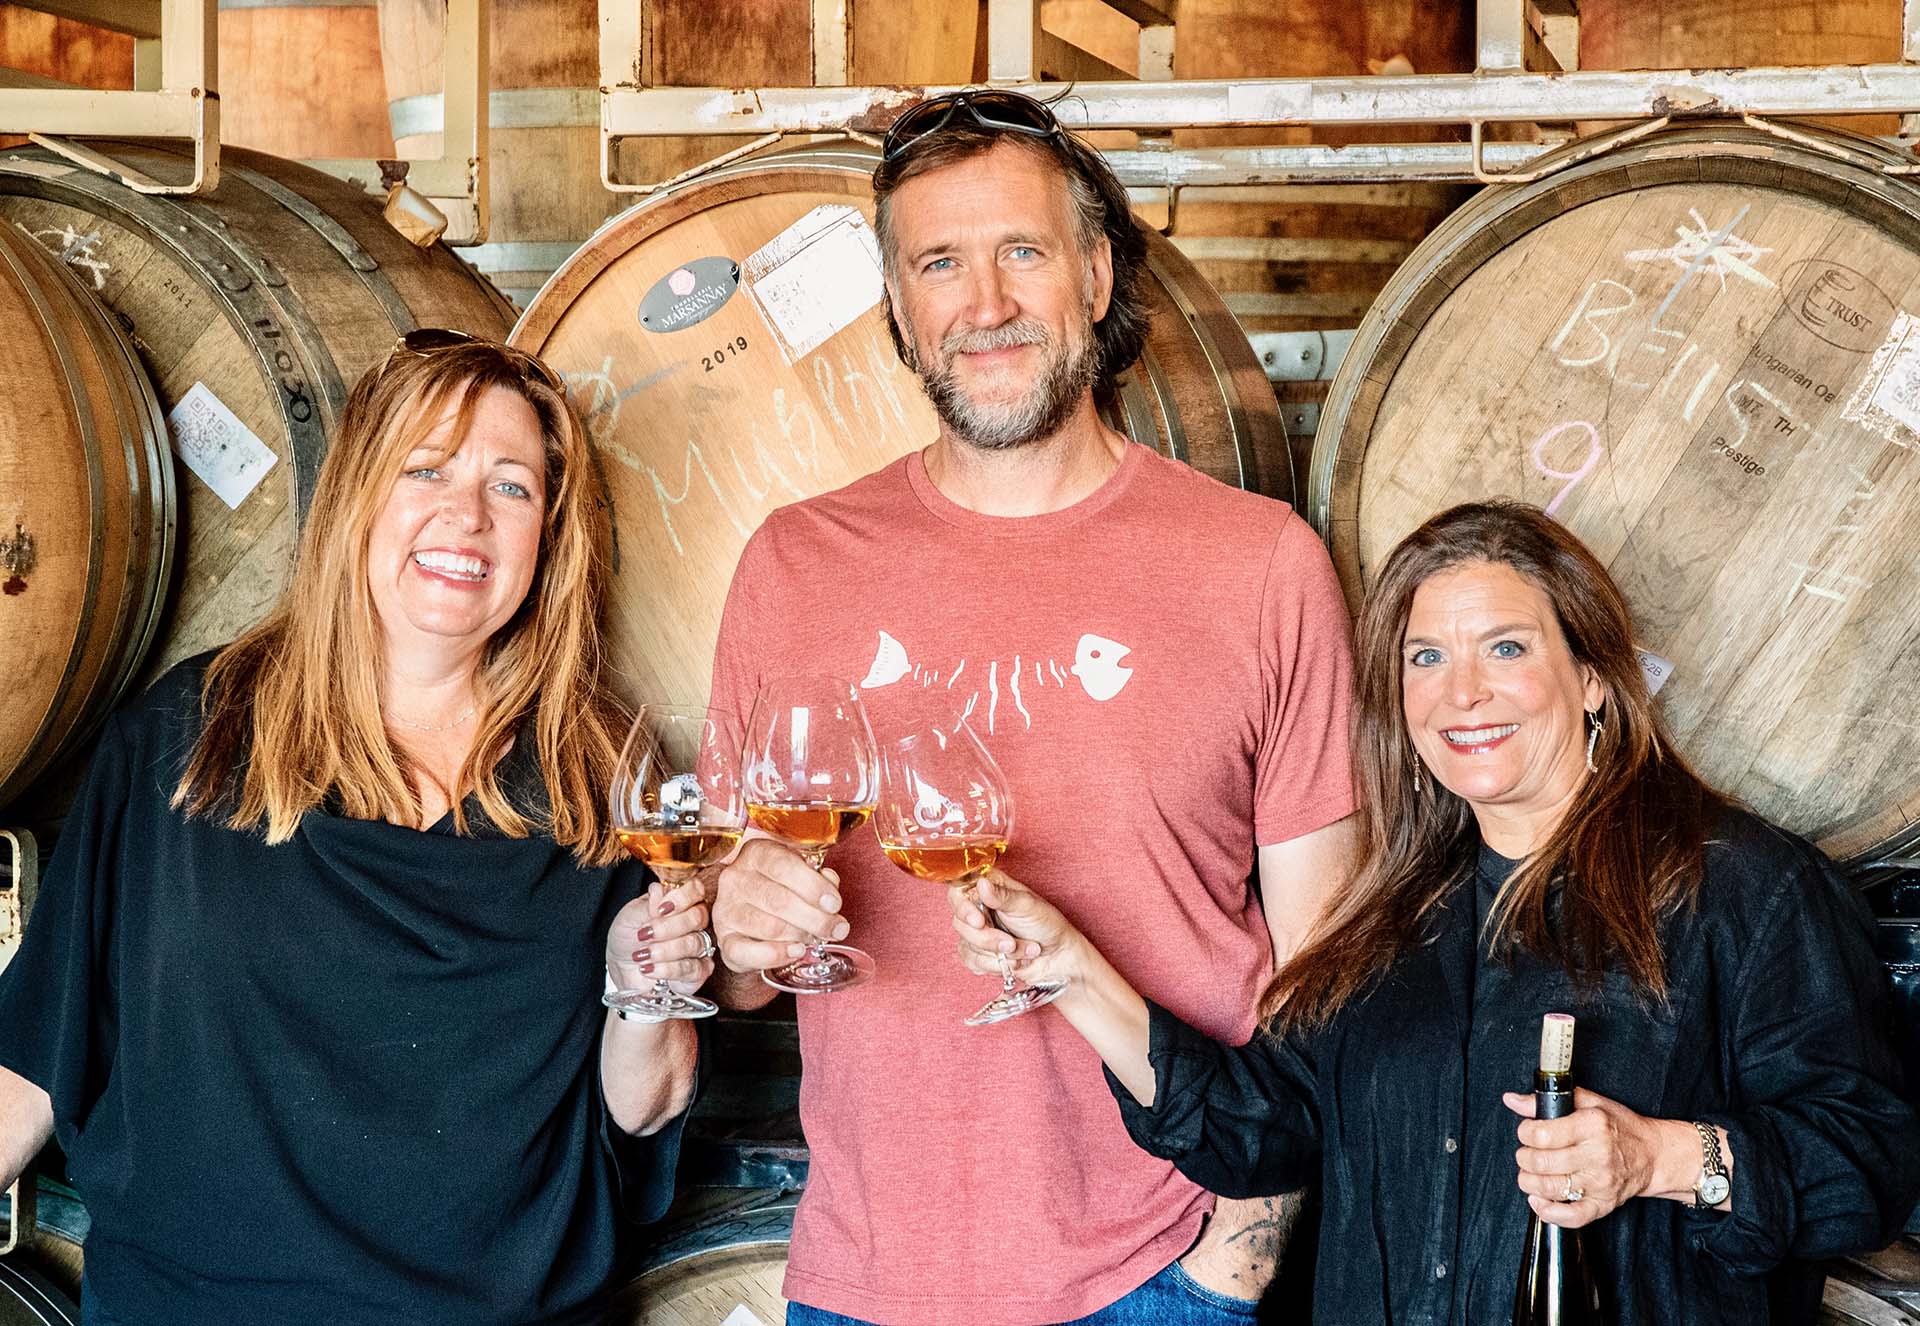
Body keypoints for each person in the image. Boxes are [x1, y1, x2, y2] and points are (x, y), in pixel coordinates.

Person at [704, 89, 1359, 1324]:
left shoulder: (1260, 564)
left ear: (1097, 275)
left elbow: (1323, 976)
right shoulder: (793, 565)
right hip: (862, 1285)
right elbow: (748, 974)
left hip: (1161, 1273)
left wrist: (1233, 1263)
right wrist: (738, 927)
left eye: (1022, 251)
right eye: (939, 263)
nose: (986, 303)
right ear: (899, 309)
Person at [951, 499, 1920, 1325]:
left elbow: (1872, 1162)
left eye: (1506, 647)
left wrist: (1660, 1156)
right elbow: (1261, 1135)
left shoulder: (1740, 885)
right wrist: (1074, 970)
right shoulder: (1397, 911)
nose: (1463, 691)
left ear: (1591, 677)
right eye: (1425, 657)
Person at [0, 333, 714, 1326]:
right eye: (426, 469)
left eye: (512, 486)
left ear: (549, 535)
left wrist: (644, 993)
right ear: (357, 501)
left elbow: (643, 1109)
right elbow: (36, 1054)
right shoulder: (193, 737)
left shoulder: (599, 779)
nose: (465, 514)